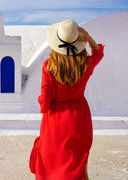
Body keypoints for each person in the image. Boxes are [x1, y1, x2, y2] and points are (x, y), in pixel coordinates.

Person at [29, 20, 104, 180]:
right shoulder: (85, 64)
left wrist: (41, 100)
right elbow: (98, 54)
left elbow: (45, 102)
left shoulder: (49, 66)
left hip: (55, 119)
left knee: (52, 162)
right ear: (79, 43)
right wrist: (89, 39)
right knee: (75, 164)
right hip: (79, 118)